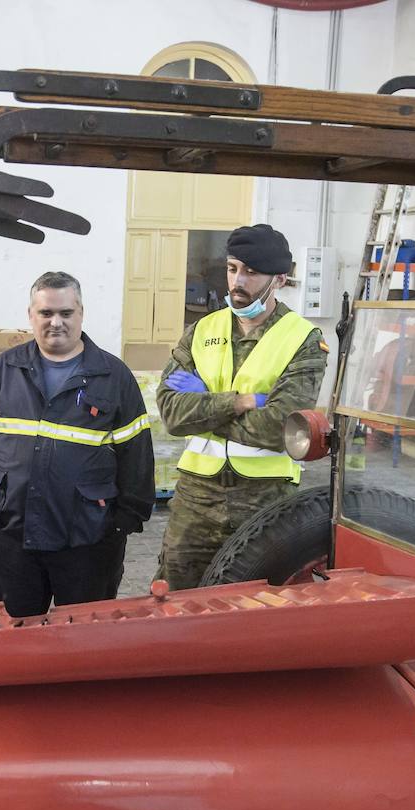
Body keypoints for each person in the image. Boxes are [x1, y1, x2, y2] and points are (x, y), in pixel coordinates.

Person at [0, 270, 153, 616]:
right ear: (31, 316)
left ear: (81, 313)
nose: (56, 322)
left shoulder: (113, 376)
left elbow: (136, 458)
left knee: (84, 641)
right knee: (14, 641)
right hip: (10, 536)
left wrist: (120, 524)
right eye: (46, 313)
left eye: (66, 313)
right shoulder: (4, 371)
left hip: (88, 542)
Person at [156, 224, 329, 590]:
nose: (238, 280)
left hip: (265, 500)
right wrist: (240, 402)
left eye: (251, 272)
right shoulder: (201, 331)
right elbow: (172, 413)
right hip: (195, 500)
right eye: (233, 268)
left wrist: (205, 405)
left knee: (257, 603)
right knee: (177, 598)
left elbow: (278, 428)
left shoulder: (303, 340)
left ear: (280, 279)